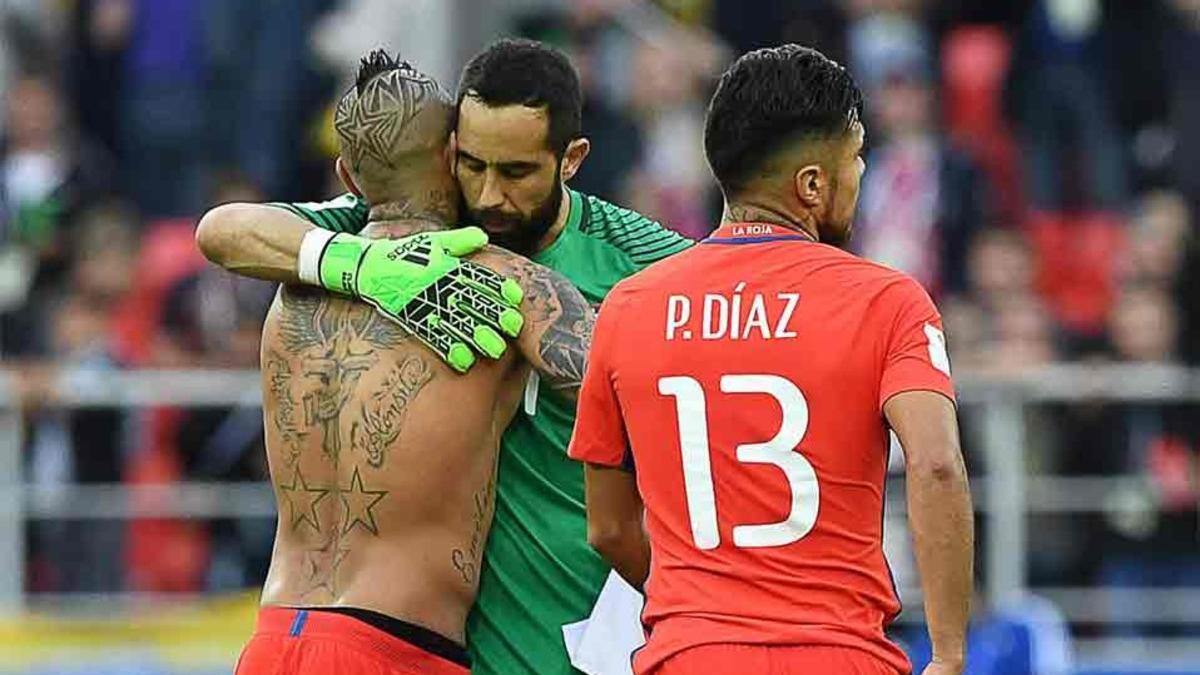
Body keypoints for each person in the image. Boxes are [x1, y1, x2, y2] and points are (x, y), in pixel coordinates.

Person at [198, 38, 693, 674]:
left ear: (349, 177)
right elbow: (643, 390)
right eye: (474, 168)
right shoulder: (509, 281)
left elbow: (220, 231)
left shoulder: (298, 279)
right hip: (396, 646)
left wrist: (349, 263)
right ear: (450, 155)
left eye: (513, 172)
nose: (488, 196)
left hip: (273, 639)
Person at [568, 45, 973, 675]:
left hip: (690, 656)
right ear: (812, 184)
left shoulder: (630, 307)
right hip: (839, 655)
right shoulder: (886, 300)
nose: (862, 176)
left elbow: (608, 530)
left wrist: (703, 611)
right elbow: (939, 465)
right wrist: (948, 655)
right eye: (856, 158)